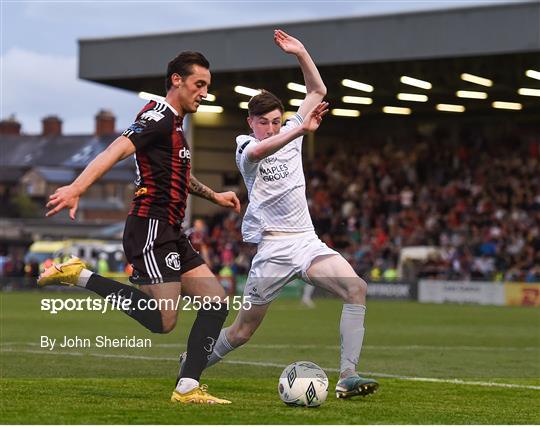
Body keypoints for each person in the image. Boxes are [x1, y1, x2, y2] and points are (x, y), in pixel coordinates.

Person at [38, 51, 240, 405]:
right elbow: (115, 150)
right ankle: (81, 276)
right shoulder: (158, 117)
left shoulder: (175, 124)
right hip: (150, 227)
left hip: (171, 231)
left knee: (215, 302)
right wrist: (76, 188)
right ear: (177, 80)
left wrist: (215, 197)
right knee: (164, 321)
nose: (205, 92)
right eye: (199, 84)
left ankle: (187, 387)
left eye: (207, 86)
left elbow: (179, 175)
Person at [202, 29, 379, 399]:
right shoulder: (245, 147)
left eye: (277, 120)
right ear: (250, 122)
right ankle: (192, 366)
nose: (271, 127)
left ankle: (347, 376)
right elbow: (260, 152)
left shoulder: (290, 130)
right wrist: (297, 131)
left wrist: (301, 52)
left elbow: (317, 92)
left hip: (307, 242)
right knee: (241, 332)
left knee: (355, 288)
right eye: (264, 121)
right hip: (272, 251)